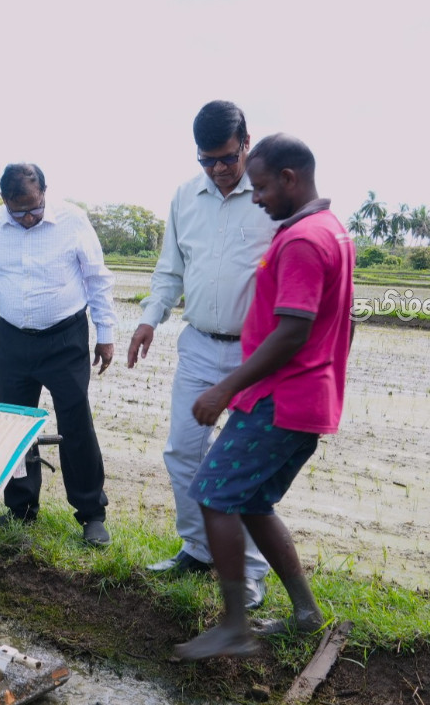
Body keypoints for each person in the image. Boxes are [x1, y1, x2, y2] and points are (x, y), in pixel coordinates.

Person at [174, 133, 355, 660]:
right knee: (251, 500)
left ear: (289, 179)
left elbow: (293, 330)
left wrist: (225, 387)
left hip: (283, 400)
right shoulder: (331, 230)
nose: (256, 198)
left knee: (212, 493)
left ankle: (234, 627)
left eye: (261, 187)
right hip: (305, 398)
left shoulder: (301, 240)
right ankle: (306, 615)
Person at [127, 100, 276, 608]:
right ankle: (197, 548)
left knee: (245, 468)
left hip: (254, 357)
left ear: (246, 144)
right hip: (198, 347)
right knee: (183, 451)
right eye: (206, 159)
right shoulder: (184, 198)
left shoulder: (273, 199)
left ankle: (252, 572)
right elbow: (170, 269)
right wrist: (150, 318)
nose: (217, 169)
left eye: (226, 158)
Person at [0, 163, 116, 547]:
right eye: (19, 211)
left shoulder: (73, 220)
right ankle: (21, 509)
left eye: (34, 208)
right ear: (4, 202)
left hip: (65, 338)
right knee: (15, 425)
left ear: (45, 192)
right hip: (13, 338)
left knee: (75, 422)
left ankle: (91, 513)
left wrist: (106, 334)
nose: (28, 217)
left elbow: (97, 278)